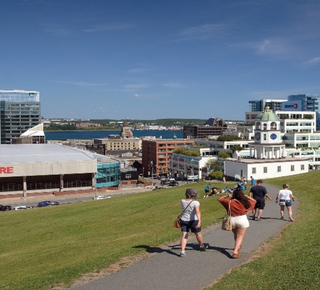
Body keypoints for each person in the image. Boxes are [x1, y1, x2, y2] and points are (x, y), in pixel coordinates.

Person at [218, 188, 256, 258]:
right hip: (242, 219)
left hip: (231, 219)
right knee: (240, 236)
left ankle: (238, 246)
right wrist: (247, 196)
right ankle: (235, 251)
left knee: (236, 234)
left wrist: (227, 196)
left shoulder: (229, 202)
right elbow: (254, 201)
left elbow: (219, 199)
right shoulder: (245, 202)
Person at [179, 188, 209, 257]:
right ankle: (201, 245)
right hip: (193, 220)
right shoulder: (196, 203)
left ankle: (182, 251)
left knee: (184, 235)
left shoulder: (182, 201)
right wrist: (199, 221)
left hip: (184, 220)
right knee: (198, 234)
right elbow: (197, 212)